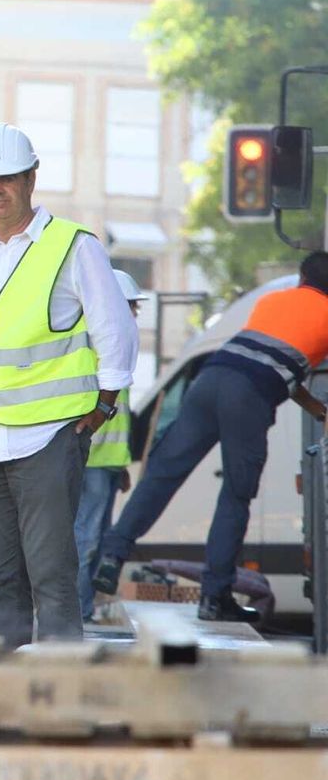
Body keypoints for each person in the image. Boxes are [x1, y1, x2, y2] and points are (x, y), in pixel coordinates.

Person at [0, 123, 138, 647]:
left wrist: (105, 402)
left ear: (32, 177)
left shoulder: (73, 246)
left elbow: (114, 327)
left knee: (52, 576)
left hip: (49, 437)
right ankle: (8, 695)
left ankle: (61, 698)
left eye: (8, 178)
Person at [94, 252, 328, 621]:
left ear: (302, 278)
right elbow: (272, 369)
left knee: (161, 475)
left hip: (211, 379)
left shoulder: (272, 300)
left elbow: (274, 359)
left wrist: (317, 408)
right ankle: (215, 598)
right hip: (248, 396)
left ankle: (112, 553)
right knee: (236, 495)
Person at [74, 269, 149, 622]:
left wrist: (120, 467)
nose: (135, 315)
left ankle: (83, 608)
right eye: (131, 308)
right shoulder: (96, 346)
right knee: (86, 538)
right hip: (91, 460)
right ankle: (75, 610)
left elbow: (120, 415)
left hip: (105, 463)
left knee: (96, 537)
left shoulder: (116, 348)